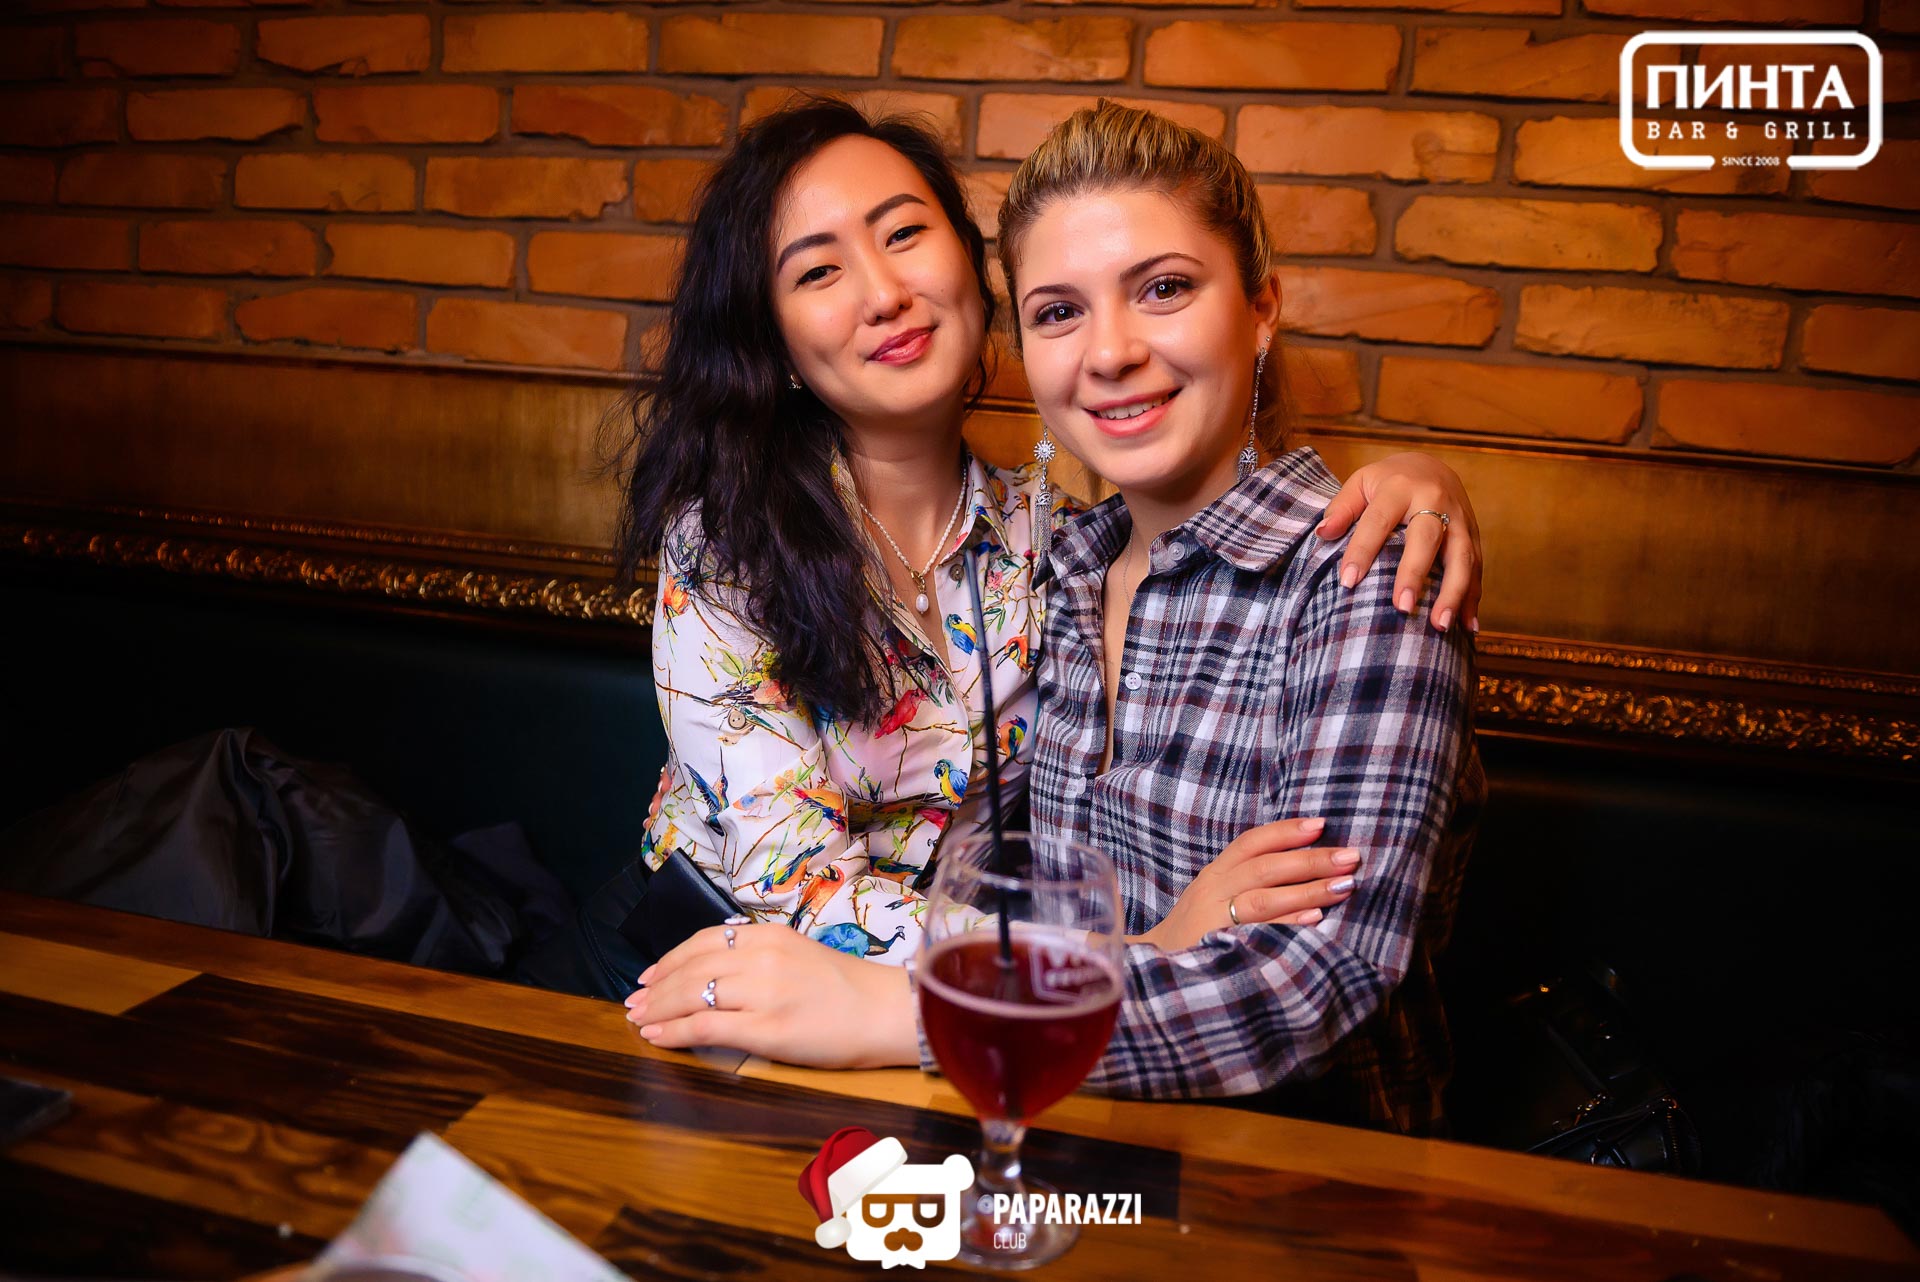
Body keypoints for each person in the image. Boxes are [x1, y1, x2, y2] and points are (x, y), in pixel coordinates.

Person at [544, 100, 1483, 1100]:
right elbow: (793, 883)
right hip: (713, 974)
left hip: (991, 1056)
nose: (883, 292)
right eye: (818, 270)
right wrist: (1121, 953)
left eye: (905, 234)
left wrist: (1427, 480)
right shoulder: (737, 542)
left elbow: (1316, 968)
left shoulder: (1058, 546)